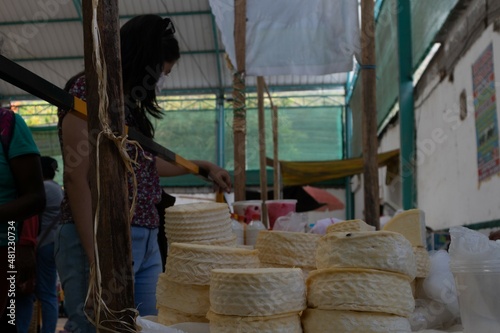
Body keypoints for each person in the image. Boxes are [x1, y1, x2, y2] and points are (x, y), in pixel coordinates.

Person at [55, 15, 231, 333]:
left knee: (146, 325)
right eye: (162, 73)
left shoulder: (128, 105)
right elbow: (75, 178)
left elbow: (145, 166)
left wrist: (201, 164)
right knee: (95, 324)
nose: (161, 82)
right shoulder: (89, 91)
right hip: (100, 235)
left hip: (146, 235)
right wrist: (97, 259)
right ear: (144, 60)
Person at [0, 107, 46, 332]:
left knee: (13, 309)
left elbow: (34, 198)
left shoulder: (7, 124)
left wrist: (25, 246)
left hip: (5, 247)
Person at [37, 156, 64, 333]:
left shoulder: (43, 189)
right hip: (56, 243)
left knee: (46, 293)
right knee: (50, 292)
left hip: (44, 245)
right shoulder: (57, 189)